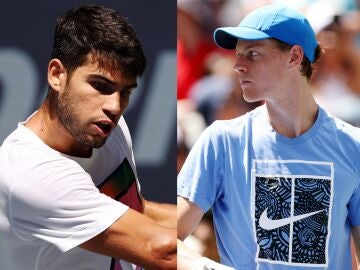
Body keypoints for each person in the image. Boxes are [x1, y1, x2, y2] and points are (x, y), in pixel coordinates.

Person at [177, 4, 360, 269]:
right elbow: (170, 238)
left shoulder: (353, 146)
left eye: (252, 54)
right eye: (237, 54)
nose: (237, 65)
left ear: (295, 57)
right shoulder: (221, 141)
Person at [0, 5, 176, 270]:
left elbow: (135, 211)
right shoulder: (29, 173)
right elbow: (161, 251)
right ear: (57, 75)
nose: (115, 107)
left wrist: (219, 220)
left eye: (125, 92)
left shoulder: (106, 125)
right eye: (100, 86)